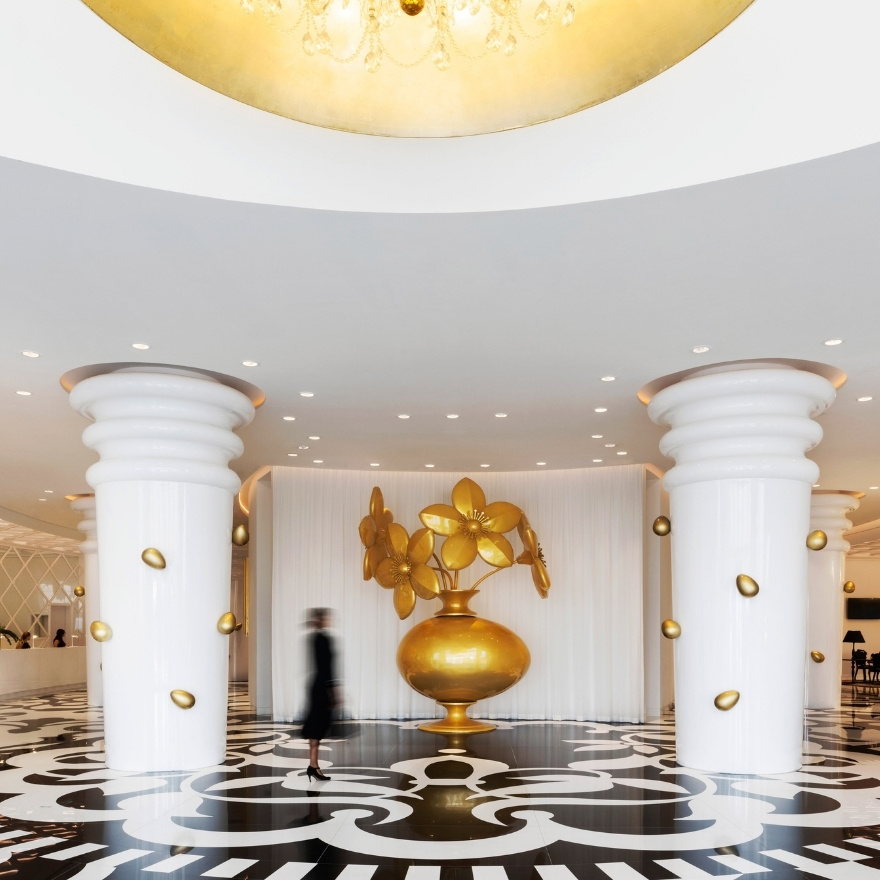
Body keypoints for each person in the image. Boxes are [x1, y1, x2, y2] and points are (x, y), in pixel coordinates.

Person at [301, 608, 340, 782]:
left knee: (315, 726)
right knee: (317, 726)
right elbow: (328, 668)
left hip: (317, 684)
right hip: (322, 687)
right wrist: (334, 692)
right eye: (325, 617)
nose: (327, 620)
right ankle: (313, 766)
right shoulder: (323, 639)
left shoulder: (315, 638)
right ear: (320, 619)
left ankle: (313, 765)